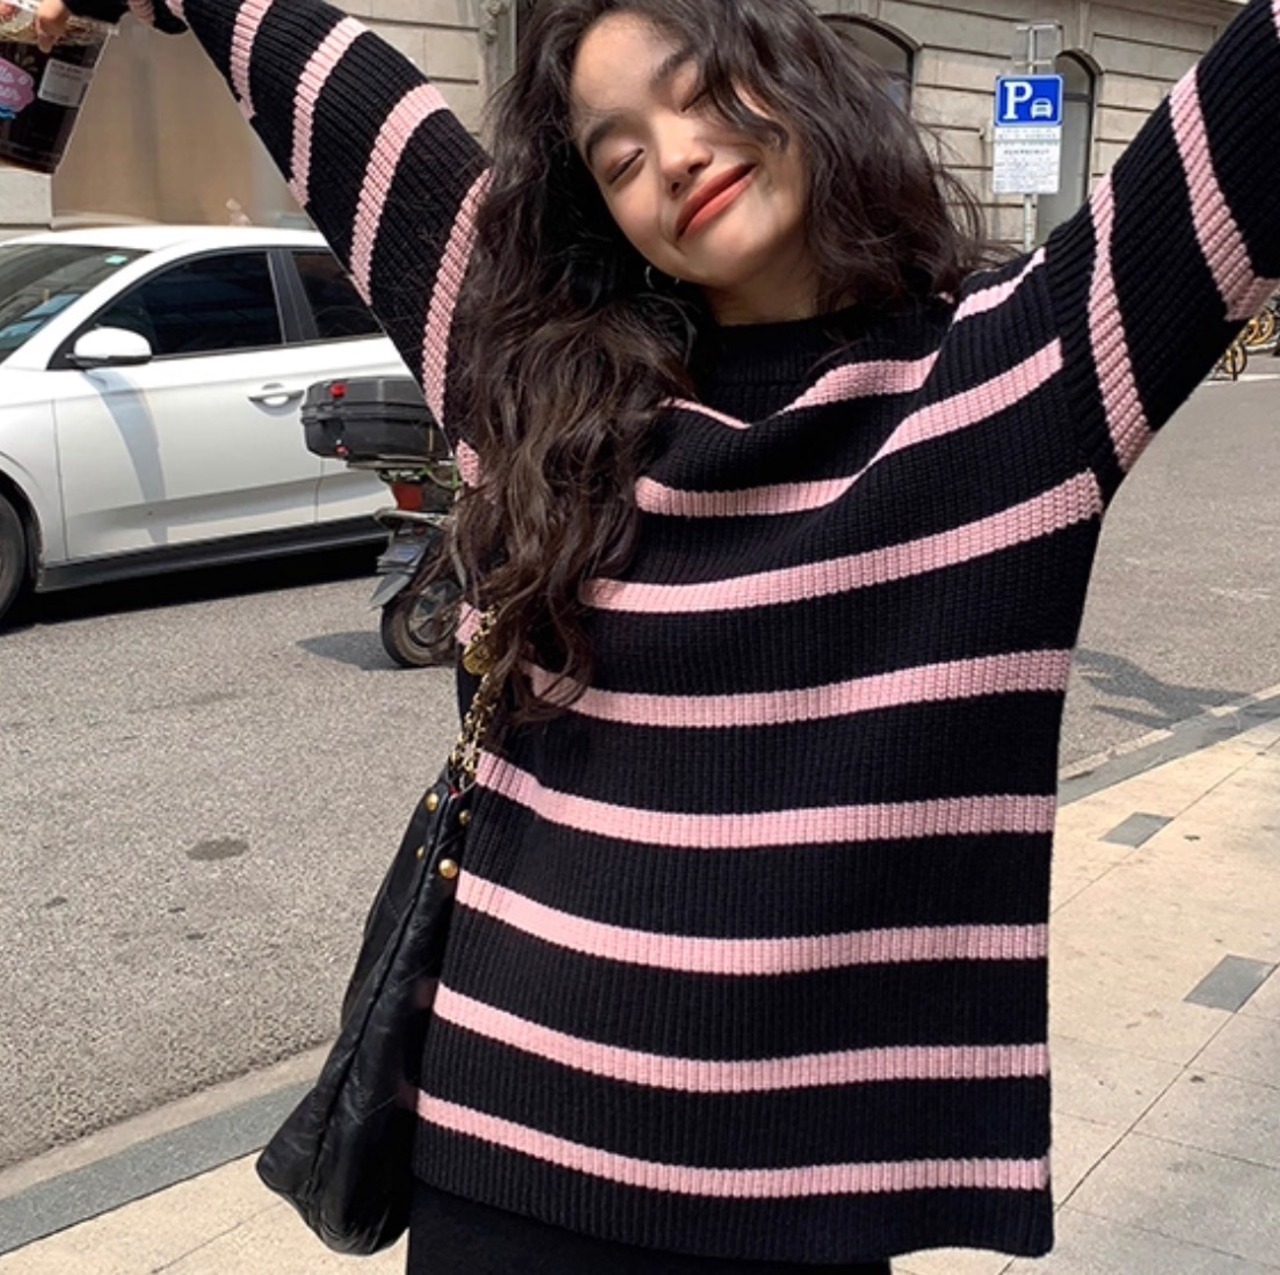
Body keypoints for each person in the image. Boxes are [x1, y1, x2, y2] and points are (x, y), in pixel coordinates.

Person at [37, 0, 1280, 1269]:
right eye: (619, 155)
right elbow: (365, 115)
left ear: (804, 78)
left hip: (801, 1199)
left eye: (701, 91)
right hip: (501, 1148)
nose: (673, 157)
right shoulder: (541, 386)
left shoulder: (1021, 373)